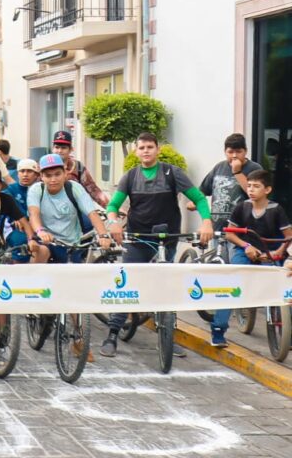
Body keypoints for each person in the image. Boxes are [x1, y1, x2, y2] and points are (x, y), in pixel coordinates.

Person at [103, 132, 213, 358]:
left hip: (167, 238)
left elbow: (200, 198)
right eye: (141, 147)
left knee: (166, 287)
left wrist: (206, 222)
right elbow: (113, 205)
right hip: (138, 238)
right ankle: (112, 333)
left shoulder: (173, 172)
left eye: (150, 147)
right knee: (127, 286)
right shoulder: (130, 177)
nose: (145, 151)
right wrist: (113, 222)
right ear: (136, 151)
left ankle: (168, 336)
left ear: (157, 149)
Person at [217, 169, 290, 346]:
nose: (251, 189)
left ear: (267, 190)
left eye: (256, 186)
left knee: (284, 287)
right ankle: (218, 330)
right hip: (245, 250)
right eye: (249, 186)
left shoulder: (276, 210)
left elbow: (289, 236)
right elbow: (230, 235)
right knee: (232, 283)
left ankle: (288, 331)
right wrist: (247, 246)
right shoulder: (242, 207)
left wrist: (278, 251)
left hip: (270, 252)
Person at [26, 154, 111, 263]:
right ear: (41, 177)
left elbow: (92, 213)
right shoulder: (36, 190)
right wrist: (40, 231)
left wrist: (103, 235)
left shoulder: (74, 188)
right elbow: (34, 214)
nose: (53, 179)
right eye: (48, 175)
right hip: (46, 241)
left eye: (57, 174)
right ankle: (34, 279)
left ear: (65, 173)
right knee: (40, 252)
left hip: (72, 244)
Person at [193, 133, 262, 227]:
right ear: (225, 152)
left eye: (238, 151)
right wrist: (194, 201)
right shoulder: (219, 167)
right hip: (217, 228)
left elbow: (257, 195)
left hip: (242, 229)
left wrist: (237, 172)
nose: (234, 155)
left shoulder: (255, 168)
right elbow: (203, 190)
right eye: (230, 152)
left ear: (245, 151)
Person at [51, 130, 108, 207]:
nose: (59, 151)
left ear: (71, 149)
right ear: (52, 148)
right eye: (57, 147)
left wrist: (111, 207)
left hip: (74, 210)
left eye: (63, 148)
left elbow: (92, 188)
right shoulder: (43, 166)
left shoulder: (78, 167)